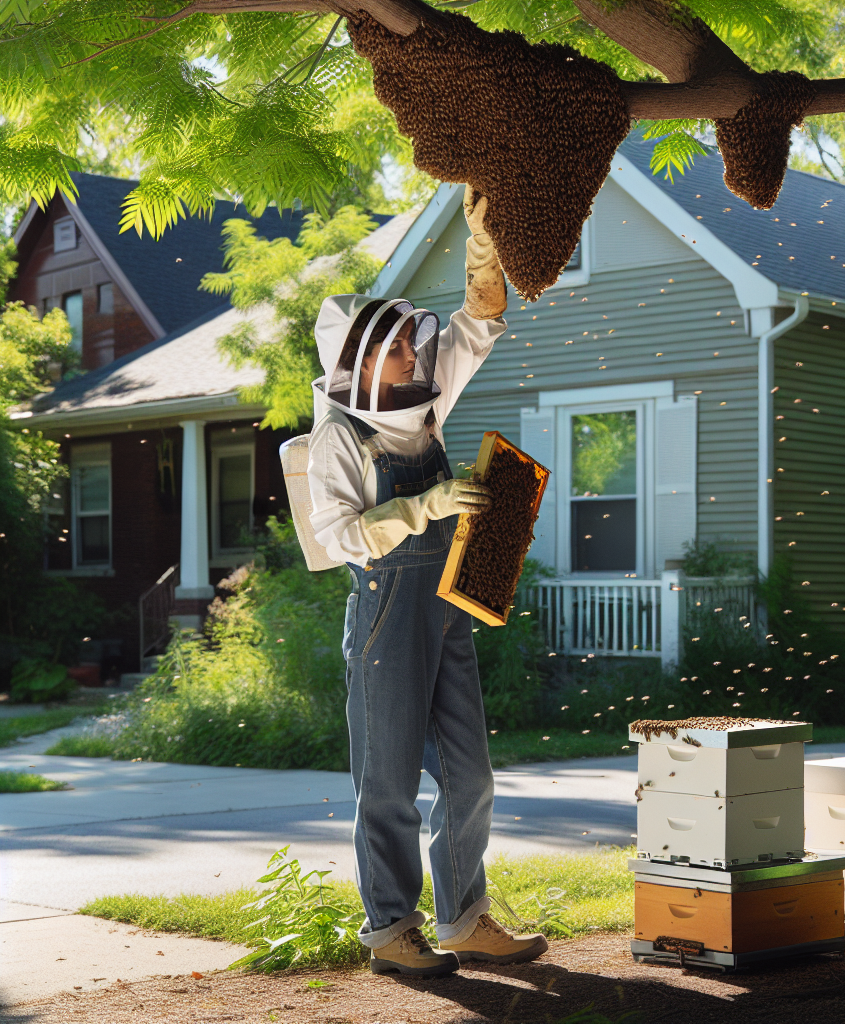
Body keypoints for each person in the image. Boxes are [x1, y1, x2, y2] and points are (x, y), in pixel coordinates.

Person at [306, 187, 548, 978]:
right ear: (363, 362)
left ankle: (464, 917)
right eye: (403, 346)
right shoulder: (338, 438)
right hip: (385, 612)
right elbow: (341, 534)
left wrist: (486, 241)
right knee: (387, 782)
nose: (419, 351)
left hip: (445, 606)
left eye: (413, 342)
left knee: (471, 773)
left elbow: (480, 317)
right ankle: (389, 933)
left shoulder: (425, 399)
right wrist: (427, 503)